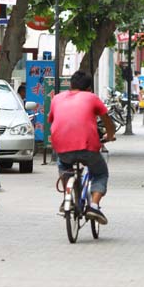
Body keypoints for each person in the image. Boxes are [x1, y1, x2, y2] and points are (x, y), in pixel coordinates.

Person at [49, 71, 116, 224]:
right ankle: (93, 206)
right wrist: (110, 136)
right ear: (88, 88)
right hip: (88, 147)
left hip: (62, 146)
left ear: (71, 84)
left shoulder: (57, 99)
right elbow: (107, 121)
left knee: (64, 165)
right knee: (100, 173)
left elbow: (52, 121)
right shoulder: (91, 97)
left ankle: (68, 197)